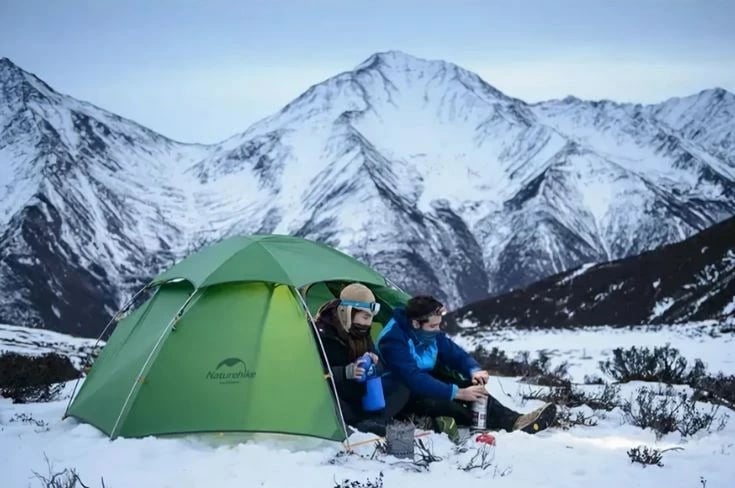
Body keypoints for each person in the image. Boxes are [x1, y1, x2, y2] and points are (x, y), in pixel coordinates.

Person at [376, 295, 556, 437]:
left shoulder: (428, 332)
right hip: (399, 394)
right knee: (452, 405)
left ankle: (516, 420)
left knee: (475, 392)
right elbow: (413, 378)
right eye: (433, 326)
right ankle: (487, 425)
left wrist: (473, 370)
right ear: (416, 323)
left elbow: (454, 353)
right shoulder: (392, 339)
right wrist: (458, 393)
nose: (438, 330)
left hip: (425, 383)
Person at [315, 283, 409, 436]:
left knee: (402, 385)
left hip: (363, 395)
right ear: (347, 312)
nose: (368, 323)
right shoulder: (322, 334)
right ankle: (365, 423)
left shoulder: (361, 332)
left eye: (371, 318)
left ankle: (372, 421)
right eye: (365, 317)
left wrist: (375, 365)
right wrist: (346, 372)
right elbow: (313, 376)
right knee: (331, 401)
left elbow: (381, 366)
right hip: (339, 398)